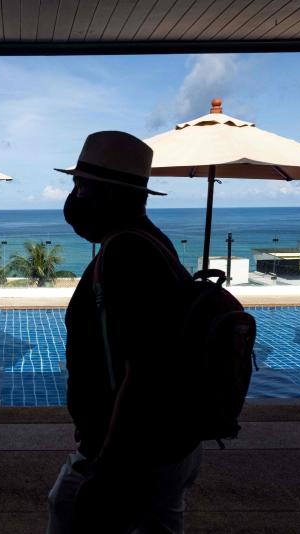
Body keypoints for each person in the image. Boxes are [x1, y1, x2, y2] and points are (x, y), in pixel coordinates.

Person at [47, 132, 201, 533]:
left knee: (67, 511)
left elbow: (144, 371)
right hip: (170, 443)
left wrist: (109, 466)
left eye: (80, 186)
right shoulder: (151, 242)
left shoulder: (126, 255)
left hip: (129, 453)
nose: (73, 198)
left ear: (107, 193)